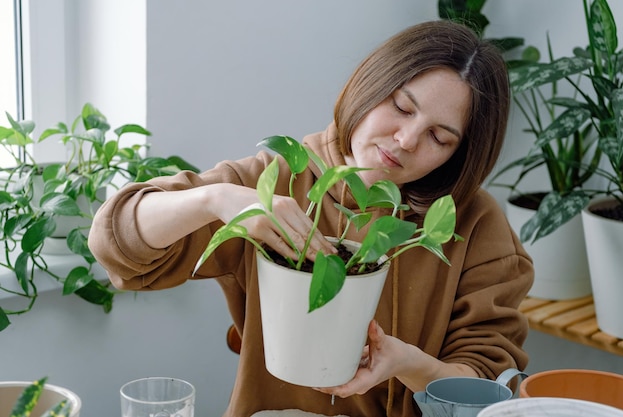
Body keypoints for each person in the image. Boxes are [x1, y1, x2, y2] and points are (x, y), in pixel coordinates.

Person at [89, 19, 533, 417]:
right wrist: (215, 200)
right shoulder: (280, 180)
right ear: (371, 84)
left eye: (439, 136)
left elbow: (484, 390)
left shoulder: (473, 224)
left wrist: (406, 363)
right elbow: (118, 245)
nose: (406, 139)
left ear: (460, 155)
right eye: (401, 106)